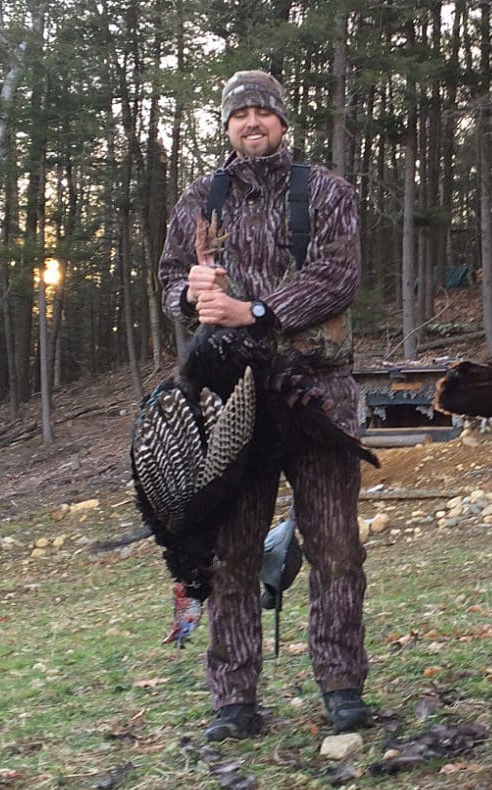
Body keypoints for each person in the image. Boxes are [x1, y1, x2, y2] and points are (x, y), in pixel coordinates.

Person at [158, 70, 372, 740]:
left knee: (335, 547)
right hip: (232, 403)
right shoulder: (200, 199)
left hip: (316, 396)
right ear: (226, 126)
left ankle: (341, 688)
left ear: (283, 121)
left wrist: (254, 311)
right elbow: (169, 280)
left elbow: (337, 275)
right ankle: (234, 700)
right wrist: (190, 296)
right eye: (240, 114)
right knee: (232, 551)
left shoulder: (326, 191)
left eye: (264, 112)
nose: (253, 122)